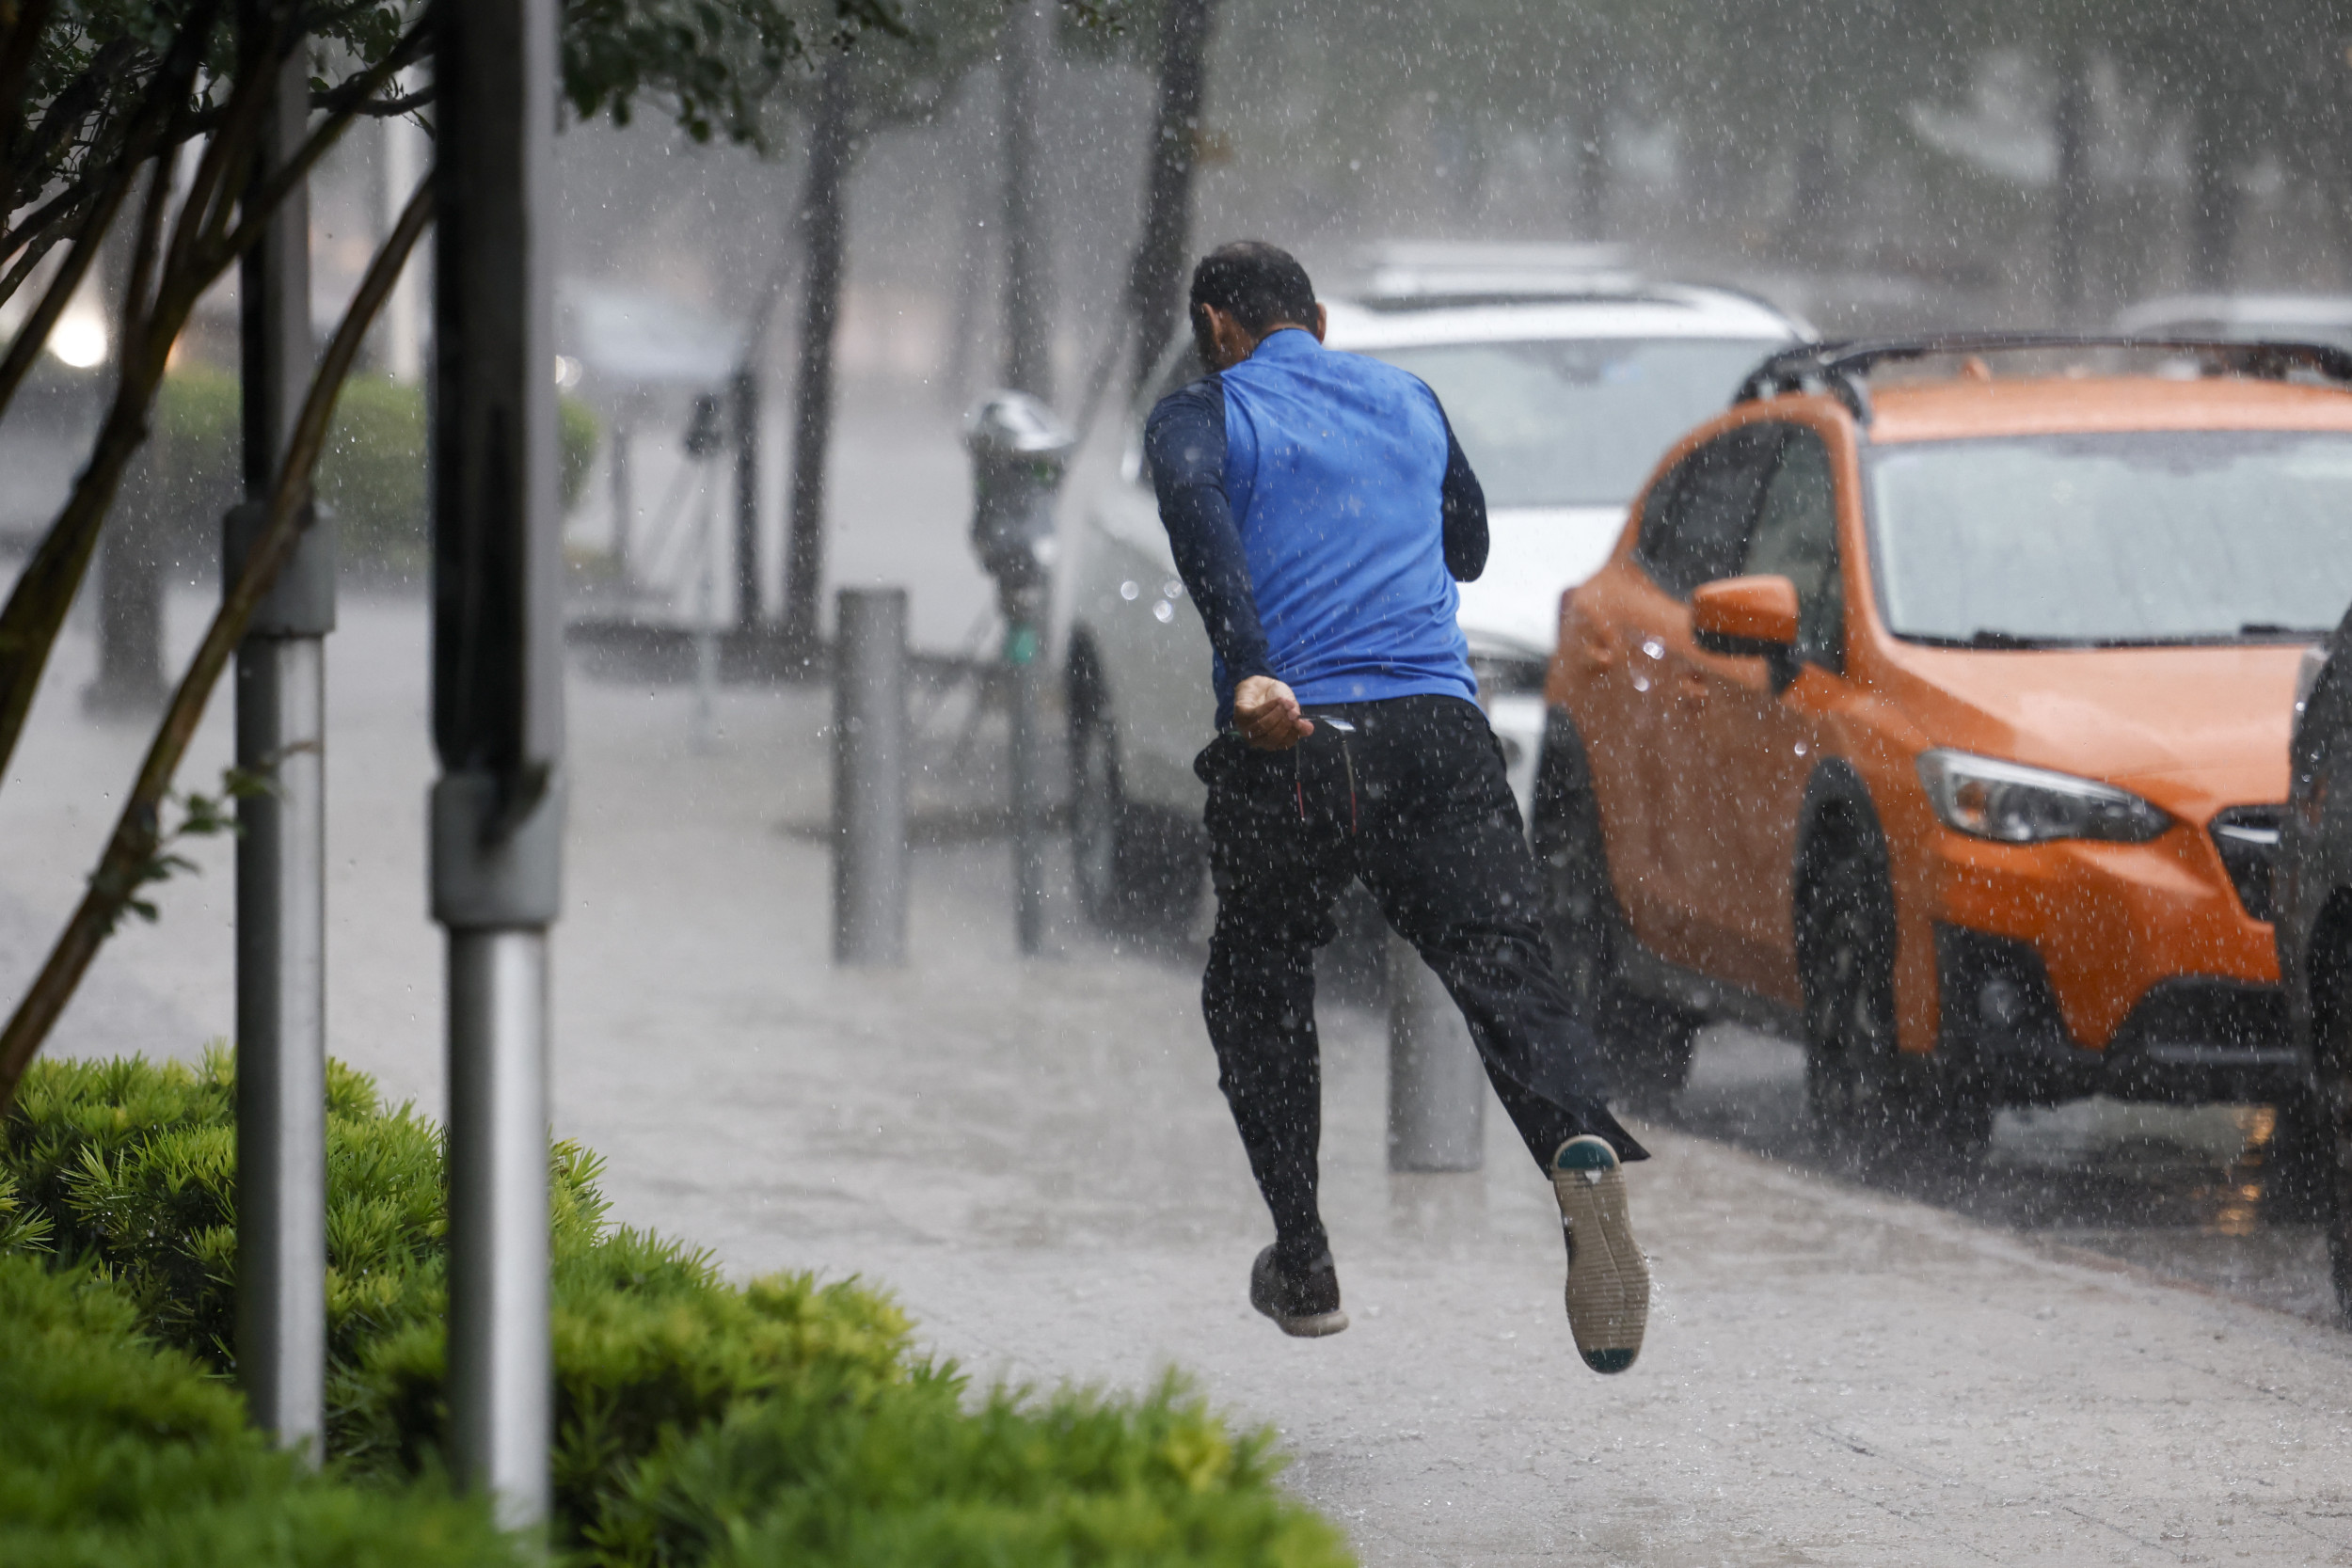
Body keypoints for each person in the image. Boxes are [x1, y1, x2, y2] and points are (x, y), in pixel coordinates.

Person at [1144, 241, 1651, 1373]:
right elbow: (1465, 546)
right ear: (1316, 319)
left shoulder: (1201, 413)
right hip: (1437, 729)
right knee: (1503, 961)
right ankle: (1574, 1135)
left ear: (1217, 326)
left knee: (1262, 977)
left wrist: (1249, 660)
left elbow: (1192, 509)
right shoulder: (1409, 397)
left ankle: (1307, 1255)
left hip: (1297, 734)